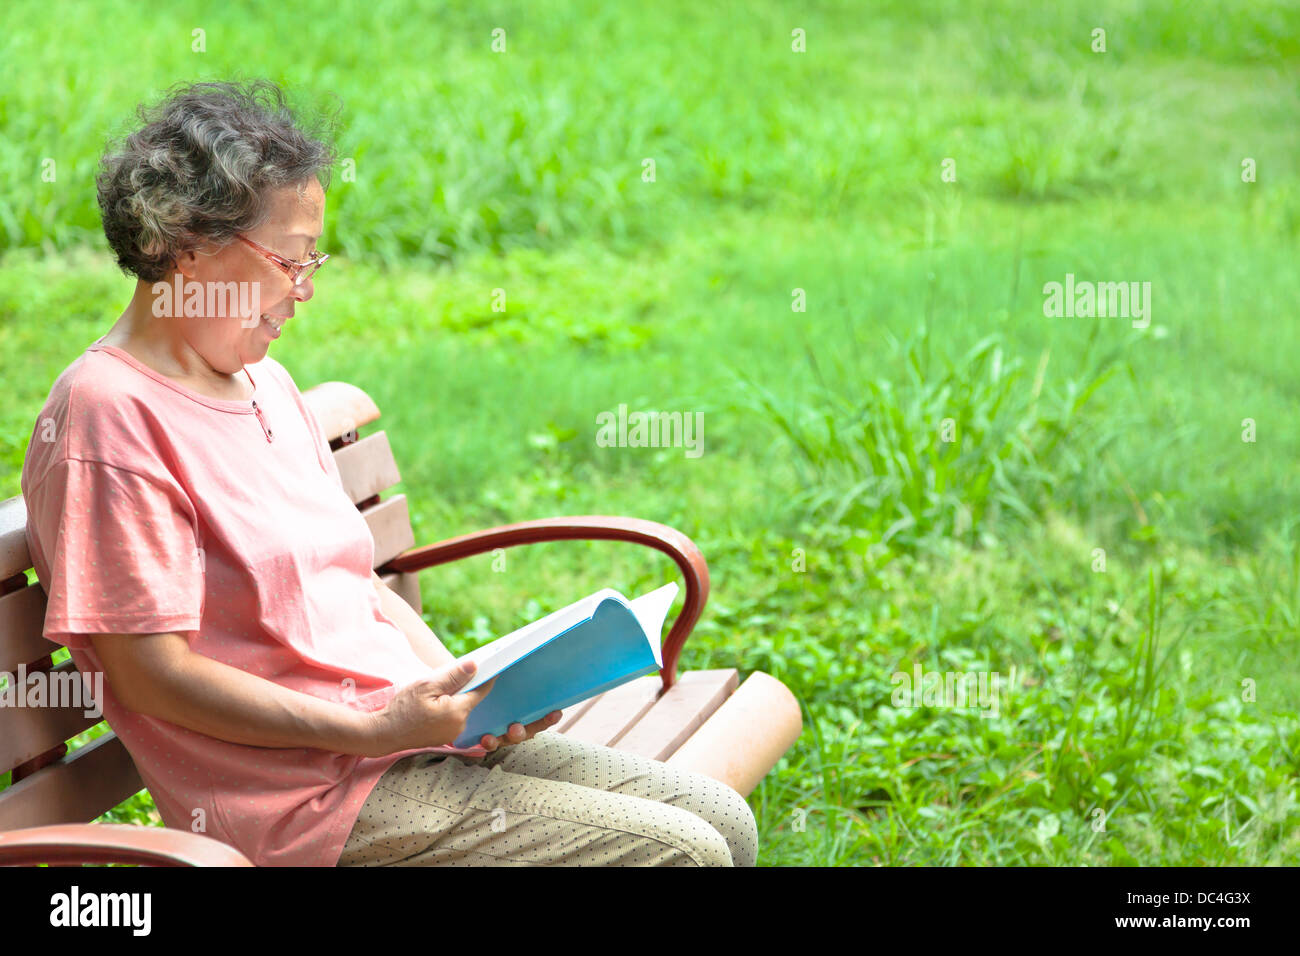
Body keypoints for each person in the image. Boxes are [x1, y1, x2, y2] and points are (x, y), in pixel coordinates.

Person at [19, 79, 757, 867]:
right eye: (288, 262)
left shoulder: (262, 381)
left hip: (402, 748)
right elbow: (152, 677)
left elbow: (354, 582)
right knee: (682, 854)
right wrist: (372, 728)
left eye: (315, 261)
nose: (303, 292)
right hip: (307, 806)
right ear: (185, 244)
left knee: (722, 821)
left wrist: (468, 693)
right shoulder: (110, 416)